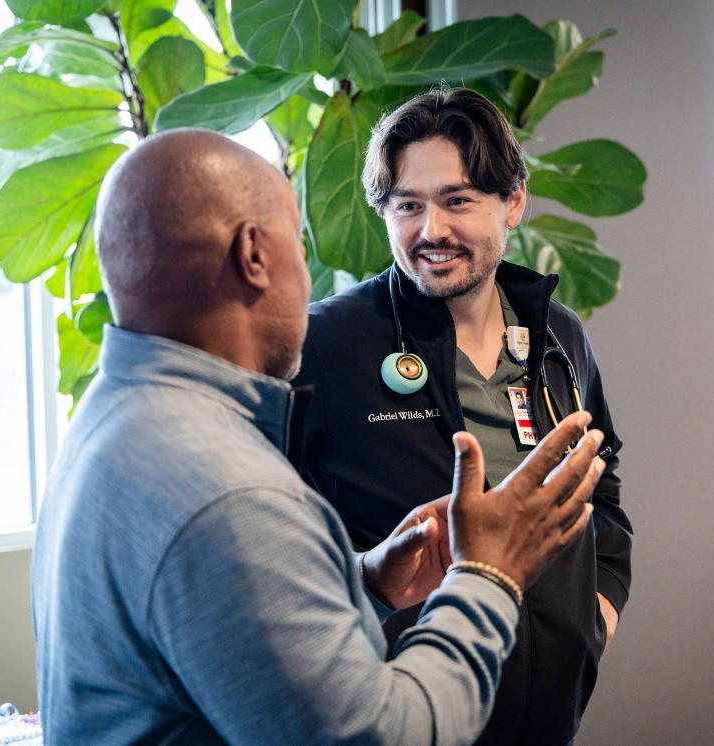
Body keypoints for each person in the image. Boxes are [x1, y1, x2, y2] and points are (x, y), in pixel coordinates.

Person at [31, 128, 607, 744]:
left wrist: (361, 583)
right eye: (299, 246)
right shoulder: (235, 493)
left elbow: (230, 626)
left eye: (458, 201)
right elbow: (384, 736)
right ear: (254, 255)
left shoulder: (115, 416)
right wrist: (487, 576)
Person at [293, 87, 632, 745]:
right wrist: (373, 588)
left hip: (547, 711)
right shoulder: (325, 347)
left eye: (457, 201)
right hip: (399, 713)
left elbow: (603, 477)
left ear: (512, 202)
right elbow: (275, 543)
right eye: (407, 206)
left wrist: (598, 607)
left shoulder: (556, 334)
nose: (431, 231)